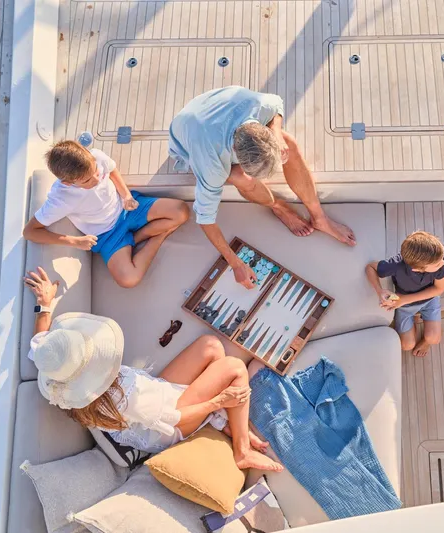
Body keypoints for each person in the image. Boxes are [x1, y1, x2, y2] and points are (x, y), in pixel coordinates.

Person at [23, 266, 282, 471]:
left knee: (210, 345)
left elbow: (40, 344)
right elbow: (175, 418)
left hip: (159, 393)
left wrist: (43, 305)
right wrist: (218, 402)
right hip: (170, 424)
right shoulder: (125, 398)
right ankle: (242, 449)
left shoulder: (54, 367)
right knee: (235, 368)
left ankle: (227, 422)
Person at [168, 86, 356, 289]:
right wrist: (235, 262)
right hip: (190, 133)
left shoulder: (257, 105)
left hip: (220, 110)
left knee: (289, 143)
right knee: (242, 178)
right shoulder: (210, 164)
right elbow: (205, 219)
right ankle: (278, 206)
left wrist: (276, 132)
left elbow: (277, 105)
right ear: (234, 153)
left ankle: (320, 218)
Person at [23, 140, 190, 288]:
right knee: (129, 280)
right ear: (68, 183)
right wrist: (75, 241)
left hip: (127, 210)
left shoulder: (96, 156)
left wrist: (126, 196)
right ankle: (160, 235)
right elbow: (30, 232)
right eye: (87, 180)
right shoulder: (60, 199)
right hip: (106, 235)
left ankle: (134, 239)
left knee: (181, 212)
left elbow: (112, 170)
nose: (97, 179)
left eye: (96, 171)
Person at [365, 231, 444, 357]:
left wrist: (404, 299)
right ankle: (413, 319)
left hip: (428, 299)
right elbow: (370, 268)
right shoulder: (396, 265)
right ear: (417, 269)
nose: (443, 263)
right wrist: (380, 291)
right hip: (404, 305)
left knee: (434, 339)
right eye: (437, 265)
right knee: (407, 345)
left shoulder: (440, 259)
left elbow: (439, 289)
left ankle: (425, 341)